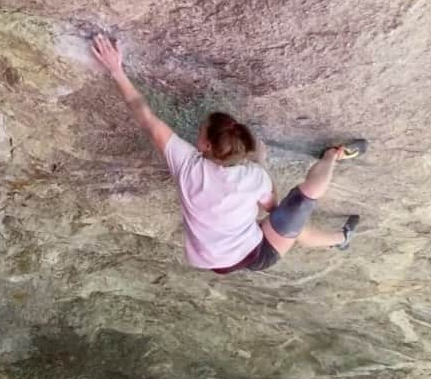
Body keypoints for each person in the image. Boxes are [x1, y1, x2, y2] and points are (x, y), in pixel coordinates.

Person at [92, 34, 364, 274]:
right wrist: (259, 166)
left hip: (215, 260)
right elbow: (272, 209)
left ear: (206, 146)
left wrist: (117, 70)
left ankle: (340, 236)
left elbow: (145, 116)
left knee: (291, 222)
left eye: (200, 130)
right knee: (295, 209)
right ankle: (332, 158)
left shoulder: (187, 165)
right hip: (256, 254)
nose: (197, 132)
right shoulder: (252, 176)